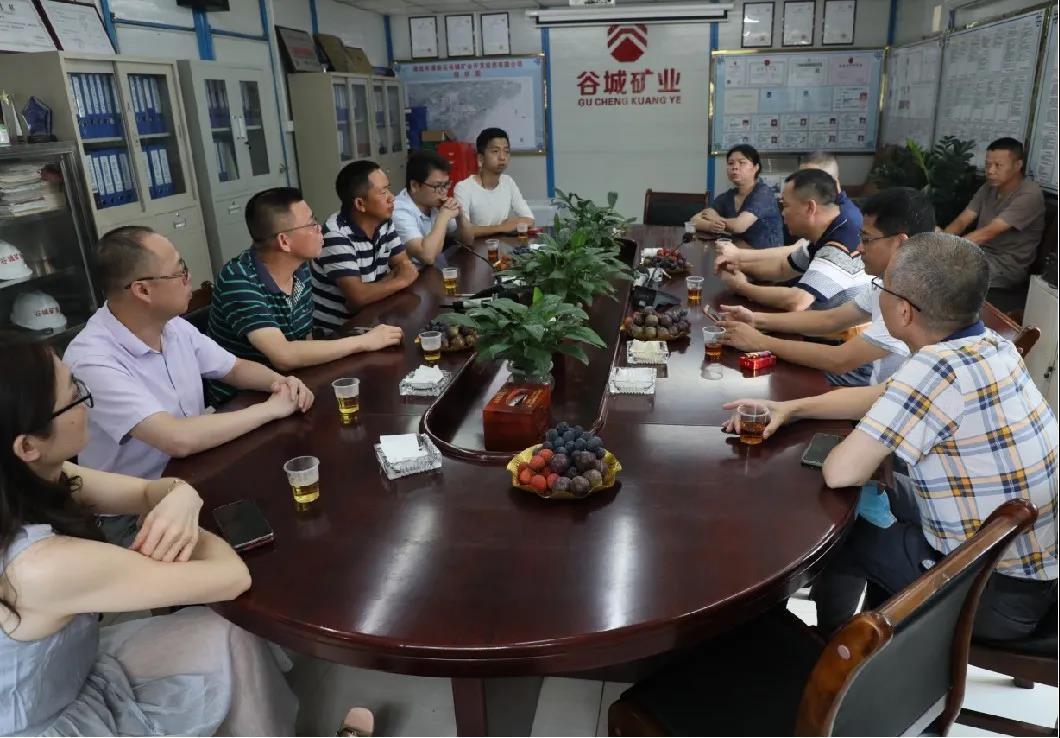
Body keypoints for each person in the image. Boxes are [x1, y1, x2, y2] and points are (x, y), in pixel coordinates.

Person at [723, 233, 1058, 640]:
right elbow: (881, 396)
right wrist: (791, 409)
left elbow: (840, 472)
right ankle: (870, 632)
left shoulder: (936, 367)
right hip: (1029, 576)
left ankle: (835, 650)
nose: (876, 292)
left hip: (987, 595)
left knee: (840, 529)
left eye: (881, 286)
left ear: (903, 311)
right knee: (879, 492)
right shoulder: (988, 344)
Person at [0, 340, 298, 735]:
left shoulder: (33, 480)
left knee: (230, 633)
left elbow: (144, 492)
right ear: (27, 446)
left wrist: (183, 497)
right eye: (74, 397)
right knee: (231, 623)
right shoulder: (39, 566)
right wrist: (183, 513)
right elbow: (231, 577)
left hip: (69, 671)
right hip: (45, 720)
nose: (87, 405)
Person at [64, 226, 313, 545]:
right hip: (135, 511)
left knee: (284, 512)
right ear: (143, 290)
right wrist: (271, 410)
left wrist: (279, 382)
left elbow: (234, 368)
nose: (189, 277)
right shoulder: (92, 359)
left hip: (194, 476)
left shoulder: (172, 326)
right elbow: (176, 439)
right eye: (179, 270)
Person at [716, 187, 935, 386]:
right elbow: (829, 320)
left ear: (900, 242)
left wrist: (760, 341)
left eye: (867, 239)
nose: (859, 248)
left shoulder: (911, 301)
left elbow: (840, 360)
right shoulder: (886, 282)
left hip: (873, 389)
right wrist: (755, 319)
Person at [208, 187, 402, 404]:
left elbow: (304, 339)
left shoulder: (299, 268)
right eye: (311, 224)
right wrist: (365, 341)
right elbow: (284, 356)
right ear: (284, 241)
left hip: (292, 386)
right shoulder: (238, 279)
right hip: (243, 400)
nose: (320, 229)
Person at [715, 168, 870, 312]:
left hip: (845, 331)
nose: (782, 213)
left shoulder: (840, 241)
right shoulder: (831, 223)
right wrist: (737, 265)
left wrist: (741, 287)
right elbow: (783, 267)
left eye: (786, 205)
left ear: (810, 208)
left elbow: (797, 301)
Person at [312, 160, 419, 334]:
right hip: (340, 333)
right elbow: (358, 298)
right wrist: (400, 281)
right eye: (383, 192)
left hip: (374, 317)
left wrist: (373, 290)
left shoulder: (384, 222)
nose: (391, 197)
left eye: (389, 189)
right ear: (360, 204)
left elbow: (405, 266)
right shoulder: (336, 234)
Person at [945, 137, 1045, 290]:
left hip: (1006, 267)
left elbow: (989, 232)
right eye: (988, 164)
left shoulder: (1030, 194)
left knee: (945, 272)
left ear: (1018, 165)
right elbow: (963, 219)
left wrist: (949, 250)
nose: (990, 171)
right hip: (979, 253)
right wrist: (939, 240)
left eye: (998, 165)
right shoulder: (988, 187)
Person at [692, 144, 783, 249]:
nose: (734, 167)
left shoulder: (763, 193)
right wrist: (711, 226)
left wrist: (715, 218)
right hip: (739, 252)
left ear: (755, 167)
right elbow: (694, 220)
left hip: (766, 255)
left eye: (742, 163)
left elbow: (739, 226)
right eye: (730, 163)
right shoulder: (728, 196)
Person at [393, 150, 475, 265]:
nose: (444, 192)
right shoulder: (399, 211)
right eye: (438, 186)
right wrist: (443, 217)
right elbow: (427, 257)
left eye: (446, 184)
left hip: (433, 270)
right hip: (412, 274)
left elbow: (468, 240)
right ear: (415, 186)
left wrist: (460, 216)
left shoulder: (434, 204)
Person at [453, 127, 534, 237]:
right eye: (495, 151)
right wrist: (502, 227)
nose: (502, 157)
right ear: (480, 158)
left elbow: (529, 220)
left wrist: (500, 228)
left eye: (506, 151)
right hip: (474, 247)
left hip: (501, 245)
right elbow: (464, 231)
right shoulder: (464, 188)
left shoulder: (508, 182)